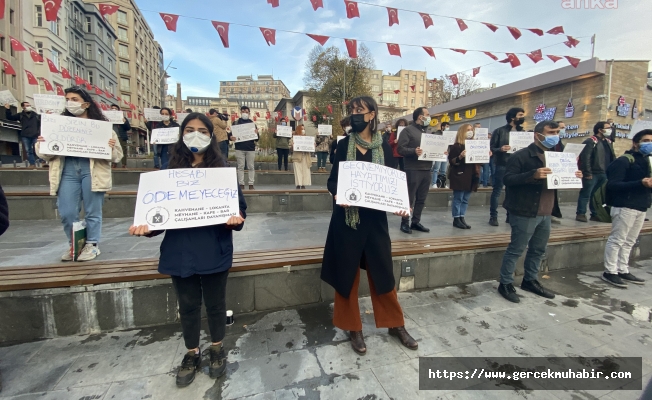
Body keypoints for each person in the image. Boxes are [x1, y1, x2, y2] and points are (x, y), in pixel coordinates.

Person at [129, 113, 247, 387]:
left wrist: (235, 218)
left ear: (211, 136)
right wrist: (147, 227)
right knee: (188, 306)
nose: (197, 135)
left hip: (214, 248)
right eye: (190, 130)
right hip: (180, 252)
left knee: (216, 305)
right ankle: (191, 352)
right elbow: (159, 216)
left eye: (203, 131)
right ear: (181, 135)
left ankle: (216, 347)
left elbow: (239, 208)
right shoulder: (168, 174)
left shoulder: (222, 173)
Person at [322, 96, 417, 355]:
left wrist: (400, 204)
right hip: (347, 222)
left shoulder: (384, 147)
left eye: (360, 110)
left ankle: (395, 324)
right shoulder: (343, 146)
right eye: (352, 110)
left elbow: (394, 183)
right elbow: (333, 181)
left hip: (375, 222)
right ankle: (354, 328)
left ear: (372, 114)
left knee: (383, 273)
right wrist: (337, 195)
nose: (355, 114)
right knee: (347, 275)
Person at [497, 120, 582, 303]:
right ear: (538, 135)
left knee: (538, 249)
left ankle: (530, 280)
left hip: (546, 211)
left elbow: (559, 180)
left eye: (557, 132)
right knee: (516, 249)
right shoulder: (521, 156)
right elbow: (508, 179)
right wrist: (532, 175)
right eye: (551, 132)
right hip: (525, 210)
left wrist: (573, 175)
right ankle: (505, 283)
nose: (555, 136)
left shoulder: (557, 156)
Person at [35, 86, 123, 262]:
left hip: (92, 169)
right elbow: (44, 154)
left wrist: (111, 147)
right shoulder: (56, 125)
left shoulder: (103, 128)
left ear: (86, 104)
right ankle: (75, 244)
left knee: (92, 210)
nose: (70, 102)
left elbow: (118, 156)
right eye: (67, 99)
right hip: (66, 169)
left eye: (74, 99)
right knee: (67, 212)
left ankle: (92, 244)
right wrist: (41, 144)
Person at [601, 129, 651, 288]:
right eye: (646, 140)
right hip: (624, 206)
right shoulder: (624, 160)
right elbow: (613, 185)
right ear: (636, 143)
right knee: (617, 239)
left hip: (641, 206)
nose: (650, 143)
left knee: (630, 241)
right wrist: (640, 183)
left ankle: (622, 268)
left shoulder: (647, 161)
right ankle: (610, 271)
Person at [397, 107, 433, 234]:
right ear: (420, 116)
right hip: (413, 169)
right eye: (427, 114)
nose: (429, 117)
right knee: (409, 198)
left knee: (421, 198)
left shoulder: (428, 132)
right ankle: (405, 222)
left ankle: (416, 222)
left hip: (427, 169)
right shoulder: (408, 131)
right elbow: (400, 149)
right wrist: (414, 151)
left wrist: (441, 152)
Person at [489, 107, 526, 226]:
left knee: (513, 191)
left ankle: (510, 215)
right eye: (520, 115)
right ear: (512, 117)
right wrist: (500, 149)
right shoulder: (500, 131)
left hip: (518, 166)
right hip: (502, 164)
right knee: (497, 191)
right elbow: (491, 148)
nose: (522, 117)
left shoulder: (523, 133)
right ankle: (493, 216)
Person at [576, 121, 616, 222]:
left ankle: (595, 214)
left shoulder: (608, 142)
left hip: (604, 172)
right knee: (586, 193)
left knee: (596, 195)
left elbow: (612, 156)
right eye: (607, 128)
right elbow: (585, 158)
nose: (610, 130)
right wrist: (587, 172)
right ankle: (581, 213)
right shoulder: (590, 141)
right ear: (600, 130)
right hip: (593, 173)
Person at [448, 124, 480, 229]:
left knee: (465, 198)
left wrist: (485, 155)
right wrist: (460, 157)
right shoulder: (456, 146)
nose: (470, 132)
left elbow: (480, 161)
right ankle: (456, 218)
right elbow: (452, 161)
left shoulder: (475, 145)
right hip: (460, 174)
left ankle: (462, 217)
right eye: (468, 130)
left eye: (471, 130)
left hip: (471, 174)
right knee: (458, 198)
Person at [229, 105, 259, 190]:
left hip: (250, 148)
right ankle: (241, 184)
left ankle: (251, 184)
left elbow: (257, 139)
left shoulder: (252, 124)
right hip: (239, 148)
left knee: (251, 166)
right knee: (240, 166)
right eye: (243, 112)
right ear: (240, 112)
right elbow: (230, 135)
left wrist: (257, 133)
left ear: (249, 113)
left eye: (246, 112)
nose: (245, 113)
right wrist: (230, 137)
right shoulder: (236, 123)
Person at [4, 101, 41, 167]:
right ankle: (32, 164)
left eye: (29, 105)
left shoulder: (36, 115)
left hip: (35, 135)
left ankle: (42, 162)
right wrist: (8, 109)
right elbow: (10, 117)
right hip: (25, 135)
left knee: (38, 149)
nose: (29, 107)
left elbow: (43, 120)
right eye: (27, 105)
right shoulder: (20, 115)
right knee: (28, 151)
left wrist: (46, 114)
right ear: (23, 107)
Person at [110, 104, 131, 168]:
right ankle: (114, 163)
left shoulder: (123, 118)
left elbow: (128, 128)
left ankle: (124, 164)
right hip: (112, 136)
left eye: (115, 108)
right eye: (112, 108)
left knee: (123, 150)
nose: (114, 109)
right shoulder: (108, 117)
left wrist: (124, 122)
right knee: (112, 150)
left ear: (118, 110)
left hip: (121, 137)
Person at [431, 121, 450, 188]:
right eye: (447, 126)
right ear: (443, 127)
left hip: (445, 154)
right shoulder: (437, 134)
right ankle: (434, 183)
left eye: (448, 127)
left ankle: (443, 183)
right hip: (438, 154)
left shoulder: (449, 135)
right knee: (436, 169)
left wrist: (448, 152)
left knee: (444, 170)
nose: (448, 128)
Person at [474, 122, 491, 188]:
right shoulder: (472, 135)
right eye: (477, 127)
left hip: (484, 153)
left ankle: (485, 184)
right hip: (476, 154)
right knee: (477, 170)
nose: (479, 128)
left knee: (486, 170)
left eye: (480, 127)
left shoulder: (485, 135)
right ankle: (477, 183)